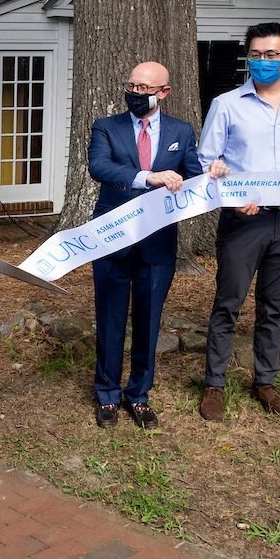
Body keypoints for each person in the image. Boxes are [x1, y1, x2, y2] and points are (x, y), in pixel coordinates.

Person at [199, 22, 280, 421]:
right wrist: (229, 194)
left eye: (271, 55)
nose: (262, 62)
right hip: (243, 222)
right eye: (255, 54)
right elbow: (207, 161)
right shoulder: (227, 103)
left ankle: (265, 382)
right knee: (228, 304)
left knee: (274, 306)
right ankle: (214, 385)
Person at [87, 62, 202, 429]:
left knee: (149, 320)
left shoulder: (182, 132)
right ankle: (107, 394)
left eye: (144, 88)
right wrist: (146, 177)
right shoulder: (107, 126)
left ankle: (138, 395)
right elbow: (99, 167)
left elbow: (195, 175)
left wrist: (214, 174)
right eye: (131, 86)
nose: (135, 93)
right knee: (110, 317)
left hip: (158, 243)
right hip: (112, 238)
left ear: (163, 92)